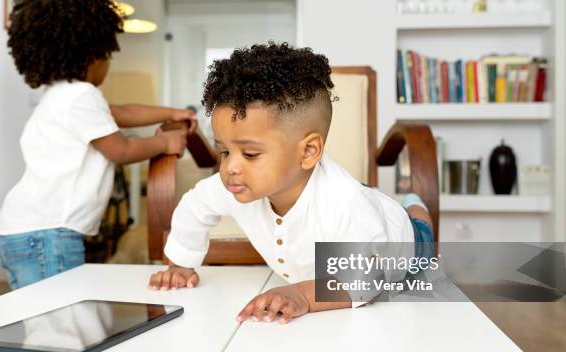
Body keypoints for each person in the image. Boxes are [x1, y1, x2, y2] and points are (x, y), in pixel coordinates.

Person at [148, 42, 434, 323]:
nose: (230, 167)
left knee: (420, 236)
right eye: (224, 151)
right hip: (364, 211)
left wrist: (303, 295)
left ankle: (415, 208)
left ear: (308, 151)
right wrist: (182, 264)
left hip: (402, 241)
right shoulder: (237, 184)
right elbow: (195, 205)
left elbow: (368, 279)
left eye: (249, 153)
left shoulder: (345, 203)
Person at [0, 0, 196, 289]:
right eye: (108, 55)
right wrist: (164, 142)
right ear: (92, 56)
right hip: (49, 234)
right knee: (61, 317)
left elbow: (124, 113)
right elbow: (120, 150)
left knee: (44, 317)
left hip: (24, 230)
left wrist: (171, 113)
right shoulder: (82, 96)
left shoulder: (61, 97)